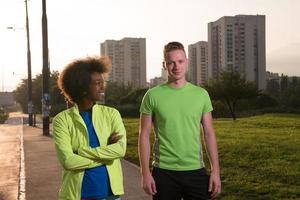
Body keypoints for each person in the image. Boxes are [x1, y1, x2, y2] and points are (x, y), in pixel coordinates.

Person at [139, 42, 221, 200]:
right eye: (171, 62)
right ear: (165, 65)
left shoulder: (201, 94)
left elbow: (209, 133)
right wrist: (145, 173)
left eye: (180, 61)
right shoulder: (152, 95)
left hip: (195, 170)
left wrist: (215, 171)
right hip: (163, 172)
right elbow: (144, 135)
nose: (176, 66)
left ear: (187, 62)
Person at [53, 56, 126, 200]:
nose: (102, 87)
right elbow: (68, 161)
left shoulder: (112, 114)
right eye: (98, 83)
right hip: (78, 195)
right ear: (83, 87)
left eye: (102, 82)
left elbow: (120, 149)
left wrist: (81, 152)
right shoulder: (62, 120)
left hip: (111, 194)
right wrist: (106, 157)